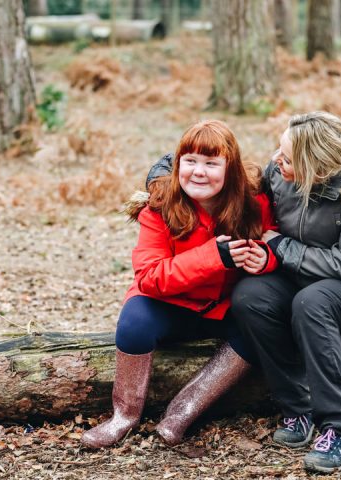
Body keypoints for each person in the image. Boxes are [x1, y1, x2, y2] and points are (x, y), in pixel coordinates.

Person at [81, 119, 278, 449]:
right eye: (190, 161)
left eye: (211, 163)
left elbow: (271, 245)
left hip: (224, 307)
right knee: (134, 320)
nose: (198, 172)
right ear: (178, 164)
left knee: (260, 325)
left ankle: (181, 414)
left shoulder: (253, 203)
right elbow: (149, 277)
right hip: (171, 303)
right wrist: (214, 257)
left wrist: (265, 259)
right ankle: (124, 416)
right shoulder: (159, 207)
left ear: (230, 169)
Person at [231, 111, 341, 473]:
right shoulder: (279, 172)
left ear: (315, 167)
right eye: (278, 151)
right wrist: (163, 183)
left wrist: (278, 246)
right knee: (250, 297)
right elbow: (232, 186)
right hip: (301, 279)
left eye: (287, 158)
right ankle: (299, 409)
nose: (276, 161)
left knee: (313, 303)